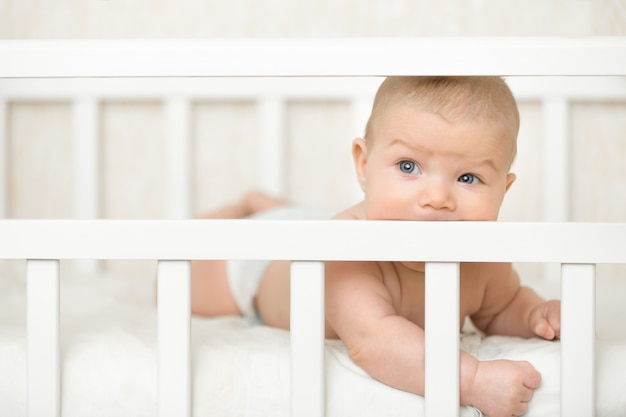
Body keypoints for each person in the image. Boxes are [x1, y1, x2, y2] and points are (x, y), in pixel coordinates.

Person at [190, 76, 561, 417]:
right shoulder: (347, 251)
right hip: (263, 262)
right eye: (408, 166)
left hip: (324, 217)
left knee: (306, 216)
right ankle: (243, 212)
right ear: (364, 165)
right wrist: (471, 379)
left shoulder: (480, 258)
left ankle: (274, 206)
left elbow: (500, 308)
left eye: (469, 177)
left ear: (503, 189)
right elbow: (375, 341)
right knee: (183, 282)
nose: (436, 198)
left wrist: (534, 315)